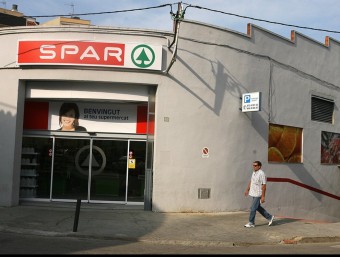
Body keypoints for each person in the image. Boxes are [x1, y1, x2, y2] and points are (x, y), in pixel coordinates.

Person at [244, 161, 274, 228]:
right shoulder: (254, 172)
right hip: (253, 193)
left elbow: (264, 185)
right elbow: (251, 181)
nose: (254, 167)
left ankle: (251, 222)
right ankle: (270, 217)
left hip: (258, 193)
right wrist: (247, 189)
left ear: (259, 166)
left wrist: (263, 196)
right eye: (253, 165)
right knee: (257, 207)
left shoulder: (262, 174)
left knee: (253, 208)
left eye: (255, 165)